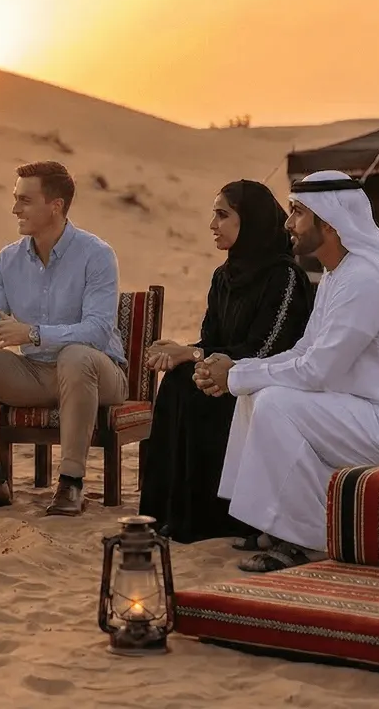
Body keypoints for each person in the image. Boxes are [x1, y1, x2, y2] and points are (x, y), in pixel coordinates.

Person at [195, 169, 379, 571]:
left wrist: (235, 376)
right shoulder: (339, 275)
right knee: (259, 395)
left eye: (298, 212)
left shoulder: (366, 279)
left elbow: (317, 371)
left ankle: (313, 537)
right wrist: (241, 369)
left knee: (275, 405)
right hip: (370, 410)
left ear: (329, 222)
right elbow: (305, 349)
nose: (288, 223)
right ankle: (273, 521)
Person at [0, 161, 128, 516]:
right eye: (15, 198)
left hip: (99, 375)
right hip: (36, 374)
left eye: (25, 200)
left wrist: (33, 333)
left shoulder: (96, 255)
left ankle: (71, 484)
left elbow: (98, 330)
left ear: (56, 205)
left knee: (76, 356)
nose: (14, 209)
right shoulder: (8, 259)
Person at [138, 180, 313, 544]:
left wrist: (197, 355)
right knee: (177, 383)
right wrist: (187, 353)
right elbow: (211, 341)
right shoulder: (224, 276)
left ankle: (219, 517)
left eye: (223, 214)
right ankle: (168, 514)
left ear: (248, 221)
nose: (213, 224)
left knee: (199, 392)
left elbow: (267, 350)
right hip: (225, 374)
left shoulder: (284, 277)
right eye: (214, 214)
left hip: (263, 383)